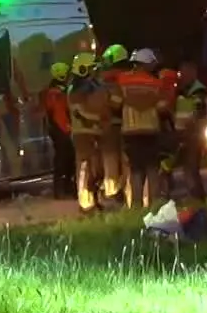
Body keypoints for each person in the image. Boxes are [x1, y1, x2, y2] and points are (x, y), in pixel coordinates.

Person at [106, 48, 169, 210]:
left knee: (135, 170)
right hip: (151, 131)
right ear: (147, 64)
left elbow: (115, 103)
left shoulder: (122, 81)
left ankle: (136, 206)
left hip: (131, 131)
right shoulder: (156, 83)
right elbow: (163, 108)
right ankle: (154, 206)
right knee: (152, 169)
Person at [65, 52, 109, 212]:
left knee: (97, 169)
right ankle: (86, 203)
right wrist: (98, 118)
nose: (93, 71)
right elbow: (79, 111)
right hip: (82, 133)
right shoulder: (75, 90)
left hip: (95, 132)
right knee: (85, 168)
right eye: (91, 68)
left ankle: (94, 199)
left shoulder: (94, 87)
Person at [169, 59, 207, 202]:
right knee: (187, 169)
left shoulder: (198, 90)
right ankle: (195, 199)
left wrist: (189, 131)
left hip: (193, 136)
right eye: (181, 73)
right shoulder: (183, 90)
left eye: (185, 73)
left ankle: (198, 199)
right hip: (184, 134)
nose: (182, 76)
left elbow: (199, 113)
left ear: (193, 73)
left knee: (191, 170)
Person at [98, 44, 132, 201]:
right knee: (127, 160)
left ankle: (112, 194)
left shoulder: (103, 77)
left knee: (109, 159)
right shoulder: (130, 76)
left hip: (109, 124)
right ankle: (129, 193)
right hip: (129, 123)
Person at [40, 61, 75, 199]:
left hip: (57, 130)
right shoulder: (57, 93)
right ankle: (62, 189)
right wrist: (67, 130)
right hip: (61, 130)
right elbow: (60, 115)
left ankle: (62, 188)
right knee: (64, 160)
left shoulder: (54, 90)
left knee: (63, 160)